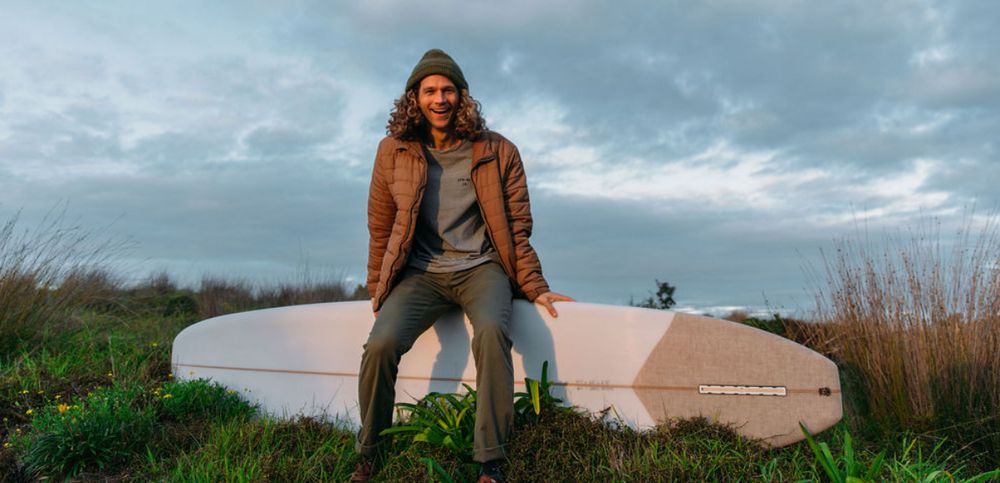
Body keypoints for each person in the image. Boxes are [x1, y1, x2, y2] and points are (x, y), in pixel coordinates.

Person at [351, 49, 574, 483]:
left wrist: (535, 286)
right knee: (379, 345)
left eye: (448, 90)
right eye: (430, 91)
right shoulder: (393, 151)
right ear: (414, 98)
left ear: (462, 96)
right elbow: (380, 225)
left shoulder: (498, 150)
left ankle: (490, 459)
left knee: (491, 333)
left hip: (482, 268)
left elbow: (517, 227)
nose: (440, 99)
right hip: (420, 273)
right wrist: (378, 288)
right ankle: (370, 451)